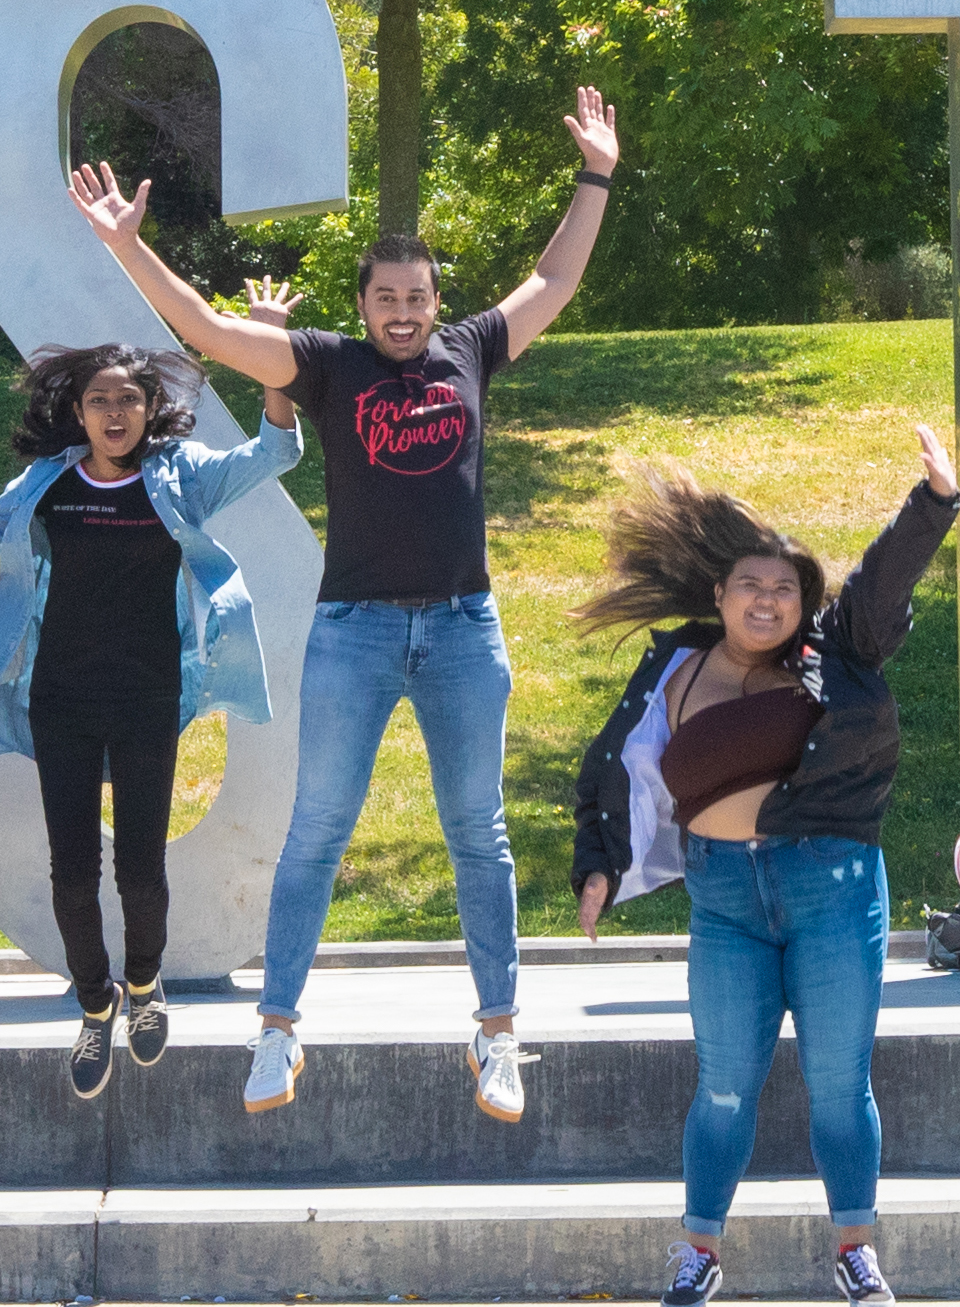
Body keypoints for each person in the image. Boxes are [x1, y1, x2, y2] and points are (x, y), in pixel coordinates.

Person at [81, 87, 627, 1125]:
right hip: (356, 631)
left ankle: (499, 1032)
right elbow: (199, 325)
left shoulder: (471, 348)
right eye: (388, 297)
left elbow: (555, 275)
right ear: (364, 300)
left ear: (434, 297)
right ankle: (277, 1031)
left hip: (465, 627)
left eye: (418, 295)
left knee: (480, 831)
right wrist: (126, 247)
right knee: (317, 828)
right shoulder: (325, 364)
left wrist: (595, 171)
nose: (405, 312)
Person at [566, 427, 953, 1307]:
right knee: (726, 1081)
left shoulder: (835, 656)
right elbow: (608, 768)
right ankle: (698, 1250)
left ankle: (855, 1248)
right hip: (725, 900)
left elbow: (883, 583)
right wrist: (599, 865)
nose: (768, 600)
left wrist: (932, 503)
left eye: (785, 588)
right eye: (752, 585)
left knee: (837, 1081)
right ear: (720, 594)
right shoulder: (672, 666)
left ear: (804, 603)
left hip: (831, 889)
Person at [0, 346, 304, 1097]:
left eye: (129, 400)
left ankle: (143, 983)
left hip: (147, 700)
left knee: (140, 868)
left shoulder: (181, 475)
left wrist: (275, 364)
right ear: (78, 411)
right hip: (60, 702)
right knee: (71, 876)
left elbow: (275, 451)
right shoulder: (47, 483)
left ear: (149, 408)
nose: (114, 413)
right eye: (99, 400)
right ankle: (94, 1000)